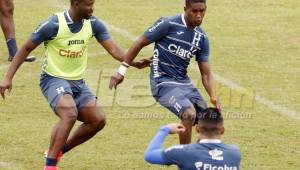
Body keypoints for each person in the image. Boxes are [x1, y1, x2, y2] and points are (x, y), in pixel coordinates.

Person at [0, 0, 150, 169]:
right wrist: (7, 78)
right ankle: (50, 165)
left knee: (98, 120)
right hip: (53, 79)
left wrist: (134, 63)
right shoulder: (53, 24)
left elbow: (114, 50)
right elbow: (25, 49)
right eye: (88, 5)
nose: (92, 8)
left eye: (93, 4)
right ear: (76, 4)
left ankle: (59, 150)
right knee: (69, 113)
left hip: (78, 83)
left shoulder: (93, 24)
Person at [110, 0, 221, 144]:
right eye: (194, 11)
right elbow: (139, 43)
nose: (199, 15)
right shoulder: (168, 24)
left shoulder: (201, 37)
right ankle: (184, 158)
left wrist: (213, 96)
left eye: (202, 11)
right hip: (162, 83)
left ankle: (200, 157)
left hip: (184, 83)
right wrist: (122, 71)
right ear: (185, 9)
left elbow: (206, 74)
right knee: (189, 114)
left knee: (209, 121)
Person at [144, 108, 241, 170]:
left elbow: (149, 155)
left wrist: (165, 129)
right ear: (222, 130)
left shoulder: (183, 152)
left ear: (197, 128)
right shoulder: (234, 152)